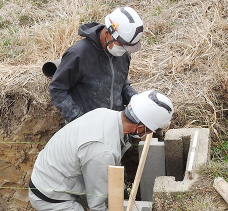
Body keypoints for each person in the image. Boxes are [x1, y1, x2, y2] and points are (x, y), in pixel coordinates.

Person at [28, 90, 174, 211]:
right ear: (141, 127)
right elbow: (97, 204)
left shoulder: (104, 114)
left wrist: (123, 195)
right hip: (51, 197)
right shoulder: (103, 150)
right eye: (150, 131)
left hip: (52, 176)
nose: (149, 134)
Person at [49, 6, 143, 123]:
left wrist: (137, 101)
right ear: (108, 33)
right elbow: (57, 89)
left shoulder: (123, 55)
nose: (124, 50)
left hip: (114, 124)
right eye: (122, 45)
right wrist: (78, 118)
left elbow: (121, 85)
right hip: (85, 127)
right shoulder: (79, 54)